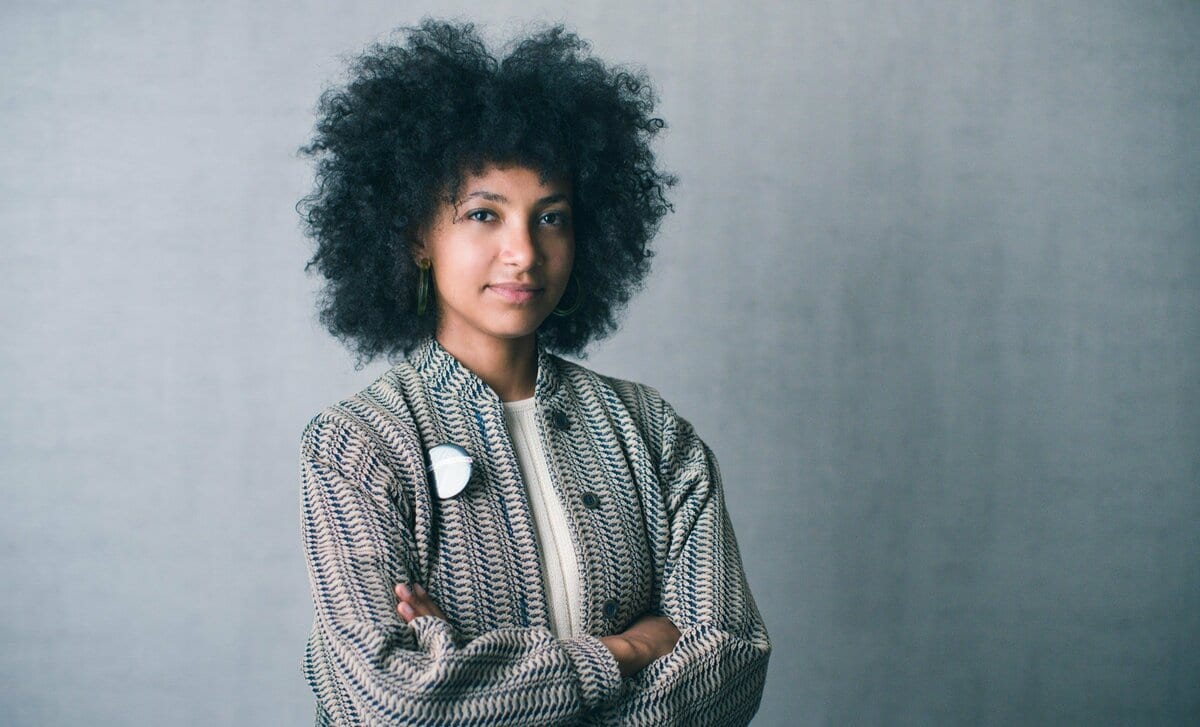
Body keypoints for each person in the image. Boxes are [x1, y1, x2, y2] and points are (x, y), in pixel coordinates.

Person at [297, 19, 770, 725]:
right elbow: (389, 702)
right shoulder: (356, 446)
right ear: (416, 236)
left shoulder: (652, 432)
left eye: (551, 218)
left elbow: (731, 661)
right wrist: (624, 651)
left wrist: (470, 675)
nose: (523, 252)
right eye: (484, 214)